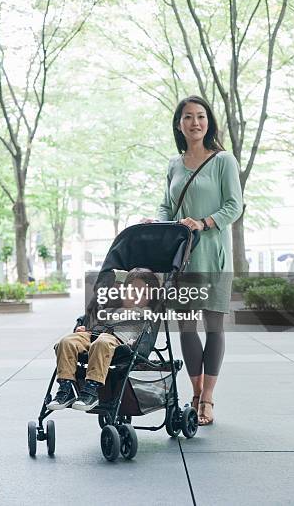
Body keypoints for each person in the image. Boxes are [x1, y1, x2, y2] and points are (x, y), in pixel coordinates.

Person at [156, 95, 243, 425]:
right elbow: (167, 206)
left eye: (201, 117)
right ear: (179, 124)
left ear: (209, 122)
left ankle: (208, 398)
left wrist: (203, 222)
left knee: (214, 327)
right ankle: (194, 393)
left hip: (213, 256)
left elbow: (235, 206)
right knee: (187, 327)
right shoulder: (174, 165)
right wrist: (158, 223)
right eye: (188, 117)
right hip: (183, 260)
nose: (195, 122)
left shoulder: (224, 161)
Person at [47, 268, 159, 413]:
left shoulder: (145, 313)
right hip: (93, 335)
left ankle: (92, 389)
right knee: (67, 342)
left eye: (143, 294)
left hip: (116, 342)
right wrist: (84, 329)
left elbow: (141, 335)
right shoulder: (110, 308)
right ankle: (65, 387)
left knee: (103, 341)